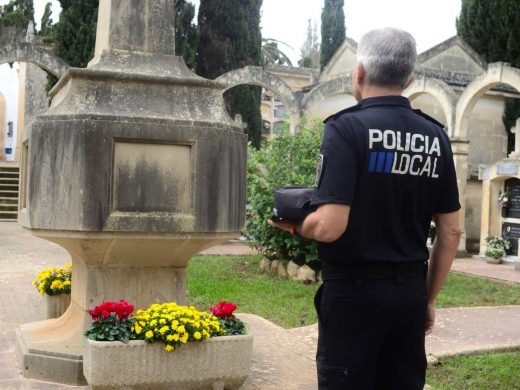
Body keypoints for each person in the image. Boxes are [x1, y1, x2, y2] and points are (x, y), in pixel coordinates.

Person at [269, 27, 461, 390]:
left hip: (353, 297)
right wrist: (427, 299)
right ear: (409, 78)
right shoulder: (436, 136)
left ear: (359, 73)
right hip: (408, 295)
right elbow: (451, 232)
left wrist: (297, 225)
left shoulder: (346, 129)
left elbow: (329, 226)